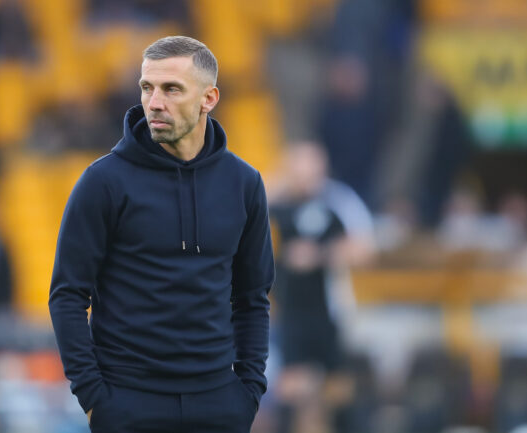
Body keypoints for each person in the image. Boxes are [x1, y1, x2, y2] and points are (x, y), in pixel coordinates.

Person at [49, 36, 275, 433]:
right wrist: (94, 400)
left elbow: (253, 298)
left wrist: (249, 391)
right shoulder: (102, 182)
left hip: (219, 404)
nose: (154, 102)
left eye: (171, 89)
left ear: (209, 98)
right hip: (127, 404)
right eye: (147, 87)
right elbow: (67, 295)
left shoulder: (244, 184)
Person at [269, 141, 375, 433]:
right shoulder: (275, 200)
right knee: (291, 387)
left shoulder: (338, 200)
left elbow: (364, 249)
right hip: (288, 311)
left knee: (337, 387)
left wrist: (319, 256)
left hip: (329, 310)